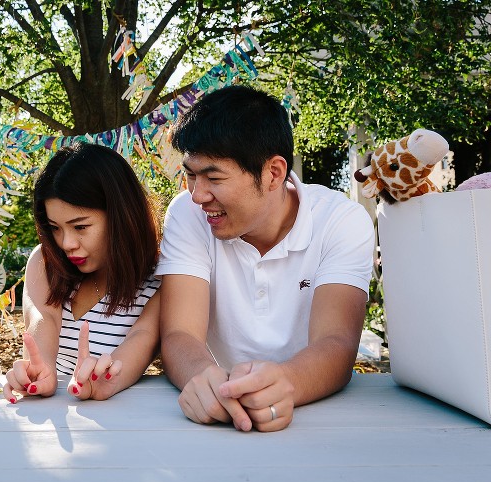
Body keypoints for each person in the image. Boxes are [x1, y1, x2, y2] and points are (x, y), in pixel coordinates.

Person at [156, 85, 375, 432]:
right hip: (211, 426)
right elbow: (180, 333)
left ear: (273, 173)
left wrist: (285, 383)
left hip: (321, 426)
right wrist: (203, 379)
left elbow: (337, 343)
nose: (197, 195)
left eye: (213, 177)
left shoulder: (341, 221)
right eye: (191, 174)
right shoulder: (187, 214)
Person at [3, 143, 161, 402]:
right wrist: (40, 369)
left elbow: (142, 338)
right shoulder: (46, 261)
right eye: (55, 228)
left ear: (122, 216)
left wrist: (105, 381)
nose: (66, 244)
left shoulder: (161, 280)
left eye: (80, 227)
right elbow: (44, 319)